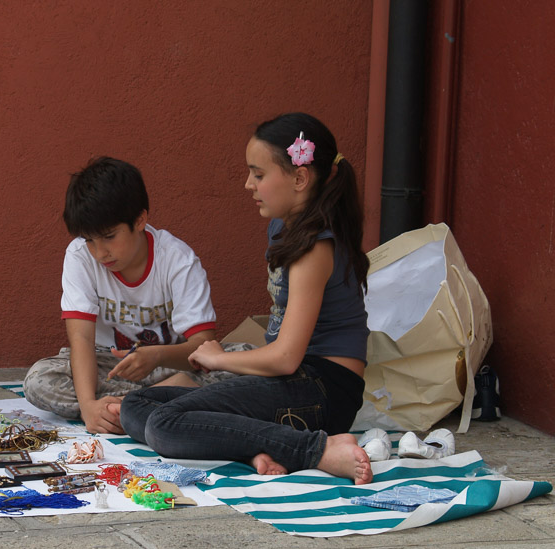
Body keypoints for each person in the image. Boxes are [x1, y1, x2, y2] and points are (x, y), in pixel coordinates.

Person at [119, 113, 373, 484]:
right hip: (295, 380)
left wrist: (220, 358)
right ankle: (258, 447)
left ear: (300, 178)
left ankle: (316, 450)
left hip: (323, 390)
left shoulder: (313, 248)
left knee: (164, 424)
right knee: (136, 405)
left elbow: (286, 358)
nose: (248, 184)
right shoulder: (284, 229)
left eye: (258, 174)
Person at [23, 156, 220, 434]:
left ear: (140, 220)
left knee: (238, 365)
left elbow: (203, 345)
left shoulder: (177, 259)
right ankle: (140, 406)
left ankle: (123, 408)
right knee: (38, 380)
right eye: (89, 239)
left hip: (169, 364)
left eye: (109, 236)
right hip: (107, 367)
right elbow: (80, 339)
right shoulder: (80, 257)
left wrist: (156, 357)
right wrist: (88, 404)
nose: (99, 252)